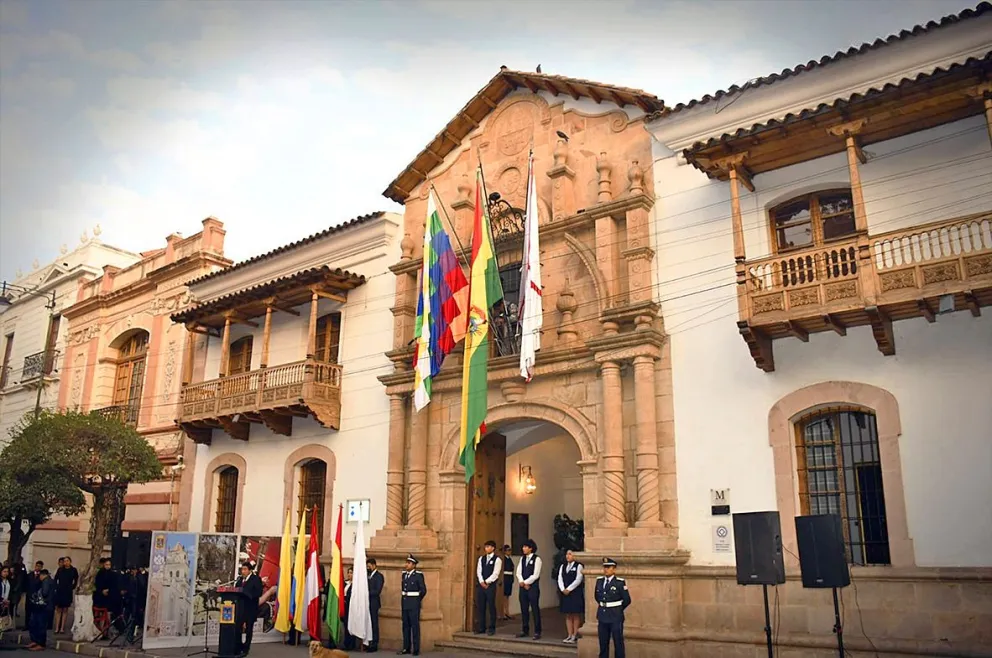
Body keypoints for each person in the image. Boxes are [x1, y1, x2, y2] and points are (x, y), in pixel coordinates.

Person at [594, 558, 631, 658]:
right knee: (603, 643)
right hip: (602, 615)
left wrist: (618, 609)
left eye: (608, 567)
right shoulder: (599, 581)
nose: (606, 569)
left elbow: (627, 600)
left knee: (618, 642)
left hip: (615, 616)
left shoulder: (619, 583)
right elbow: (597, 597)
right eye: (604, 567)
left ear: (614, 569)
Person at [397, 555, 426, 656]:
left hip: (414, 604)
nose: (406, 565)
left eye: (409, 563)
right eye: (406, 562)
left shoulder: (418, 575)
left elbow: (423, 590)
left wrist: (417, 601)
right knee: (405, 626)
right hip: (405, 604)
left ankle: (416, 649)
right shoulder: (404, 575)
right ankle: (406, 647)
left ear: (414, 565)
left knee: (415, 626)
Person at [514, 539, 542, 640]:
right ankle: (525, 629)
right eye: (523, 547)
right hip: (523, 587)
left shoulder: (537, 559)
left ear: (531, 548)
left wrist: (526, 582)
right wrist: (521, 582)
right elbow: (518, 572)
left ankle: (537, 631)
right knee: (524, 608)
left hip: (532, 587)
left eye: (526, 547)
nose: (523, 549)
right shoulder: (522, 559)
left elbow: (536, 574)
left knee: (534, 609)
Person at [235, 561, 263, 656]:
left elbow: (258, 592)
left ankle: (246, 648)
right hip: (240, 608)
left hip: (250, 608)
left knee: (248, 629)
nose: (243, 571)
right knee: (237, 627)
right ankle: (238, 646)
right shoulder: (239, 580)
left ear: (250, 570)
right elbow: (236, 591)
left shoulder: (256, 579)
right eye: (242, 569)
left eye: (245, 569)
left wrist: (247, 593)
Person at [473, 540, 501, 636]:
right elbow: (479, 571)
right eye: (486, 547)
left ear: (493, 548)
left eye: (489, 546)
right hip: (481, 586)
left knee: (491, 606)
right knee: (481, 606)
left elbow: (496, 573)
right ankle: (482, 627)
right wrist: (481, 581)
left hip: (490, 586)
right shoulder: (481, 558)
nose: (487, 548)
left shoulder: (497, 560)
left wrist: (487, 581)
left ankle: (492, 627)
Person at [557, 549, 585, 644]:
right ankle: (569, 634)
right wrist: (563, 589)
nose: (568, 556)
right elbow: (560, 578)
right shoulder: (563, 566)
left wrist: (569, 589)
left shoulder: (579, 566)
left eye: (570, 554)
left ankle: (575, 634)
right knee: (568, 614)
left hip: (575, 593)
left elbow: (578, 579)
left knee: (575, 614)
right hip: (565, 593)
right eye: (567, 554)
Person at [26, 569, 54, 651]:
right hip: (44, 606)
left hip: (43, 606)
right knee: (35, 623)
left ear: (43, 575)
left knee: (40, 625)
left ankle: (41, 643)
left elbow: (44, 593)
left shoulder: (46, 581)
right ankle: (35, 641)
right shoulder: (50, 581)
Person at [54, 557, 78, 634]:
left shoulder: (73, 570)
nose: (66, 562)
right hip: (60, 590)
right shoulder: (60, 570)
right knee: (58, 609)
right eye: (64, 561)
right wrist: (56, 587)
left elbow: (76, 579)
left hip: (67, 591)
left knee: (65, 609)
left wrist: (72, 587)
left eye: (67, 561)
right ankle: (57, 627)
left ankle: (62, 628)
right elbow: (55, 578)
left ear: (70, 562)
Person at [367, 558, 384, 653]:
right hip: (366, 602)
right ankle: (368, 642)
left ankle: (374, 643)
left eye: (369, 566)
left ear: (374, 565)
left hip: (374, 603)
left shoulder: (379, 576)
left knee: (374, 623)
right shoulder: (367, 575)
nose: (368, 568)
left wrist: (367, 593)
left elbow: (377, 590)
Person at [24, 561, 43, 632]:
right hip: (29, 595)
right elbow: (26, 584)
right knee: (28, 611)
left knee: (35, 612)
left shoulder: (41, 576)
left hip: (37, 597)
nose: (38, 567)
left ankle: (34, 626)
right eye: (37, 566)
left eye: (39, 566)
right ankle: (27, 625)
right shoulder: (30, 575)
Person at [499, 545, 514, 621]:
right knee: (504, 595)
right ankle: (503, 612)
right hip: (505, 577)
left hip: (509, 578)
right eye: (508, 550)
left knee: (507, 595)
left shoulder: (509, 559)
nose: (509, 552)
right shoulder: (503, 559)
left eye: (510, 550)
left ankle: (507, 611)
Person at [342, 567, 355, 650]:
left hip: (351, 606)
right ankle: (346, 643)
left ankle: (351, 644)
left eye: (351, 573)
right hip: (344, 607)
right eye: (349, 573)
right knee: (345, 625)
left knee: (351, 625)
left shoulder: (355, 584)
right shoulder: (345, 583)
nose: (349, 574)